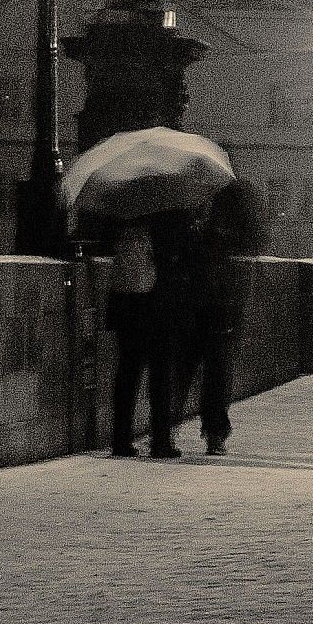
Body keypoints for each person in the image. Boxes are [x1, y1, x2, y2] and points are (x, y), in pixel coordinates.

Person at [177, 179, 264, 456]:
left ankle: (183, 428)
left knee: (197, 370)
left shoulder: (209, 212)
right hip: (212, 305)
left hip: (206, 304)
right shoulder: (222, 207)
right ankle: (211, 433)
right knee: (211, 373)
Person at [104, 216, 182, 459]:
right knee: (160, 375)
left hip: (125, 304)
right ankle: (160, 441)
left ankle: (120, 439)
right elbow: (175, 257)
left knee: (127, 373)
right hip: (155, 305)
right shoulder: (164, 220)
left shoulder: (121, 217)